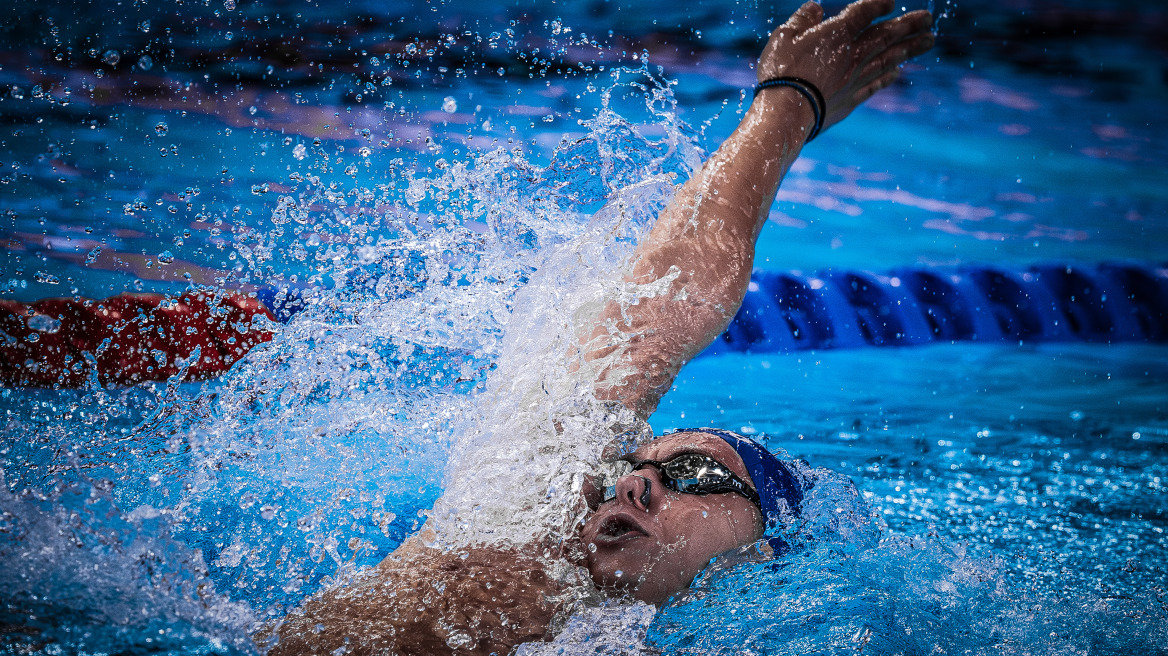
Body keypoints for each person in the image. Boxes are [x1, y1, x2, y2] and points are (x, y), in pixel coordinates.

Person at [260, 0, 935, 654]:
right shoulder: (531, 530)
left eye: (695, 473)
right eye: (629, 466)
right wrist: (787, 101)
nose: (635, 483)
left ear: (759, 554)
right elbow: (662, 306)